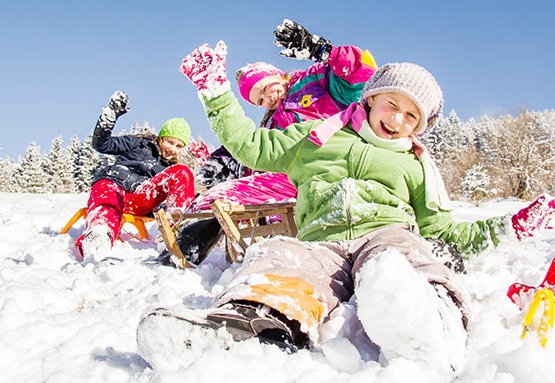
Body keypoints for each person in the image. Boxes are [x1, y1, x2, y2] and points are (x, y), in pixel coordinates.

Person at [137, 42, 555, 374]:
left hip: (388, 232)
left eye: (413, 115)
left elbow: (442, 230)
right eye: (392, 104)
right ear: (371, 100)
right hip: (324, 238)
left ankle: (429, 322)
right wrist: (215, 92)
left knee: (399, 260)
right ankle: (241, 325)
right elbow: (251, 145)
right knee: (280, 254)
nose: (399, 120)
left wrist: (511, 226)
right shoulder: (317, 136)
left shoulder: (415, 162)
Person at [156, 20, 378, 267]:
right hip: (291, 179)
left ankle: (181, 253)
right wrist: (221, 161)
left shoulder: (315, 81)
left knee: (229, 195)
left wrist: (322, 51)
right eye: (259, 100)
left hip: (330, 170)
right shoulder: (271, 123)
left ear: (275, 74)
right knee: (224, 196)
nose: (267, 98)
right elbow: (260, 152)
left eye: (265, 88)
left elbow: (363, 76)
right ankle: (178, 251)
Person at [76, 90, 195, 263]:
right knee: (108, 201)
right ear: (160, 138)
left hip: (140, 197)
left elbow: (170, 198)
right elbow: (102, 144)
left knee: (183, 171)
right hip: (114, 184)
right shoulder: (139, 143)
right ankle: (99, 235)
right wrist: (110, 116)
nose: (173, 149)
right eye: (170, 142)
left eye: (178, 146)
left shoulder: (170, 169)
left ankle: (173, 235)